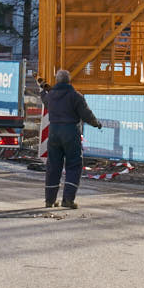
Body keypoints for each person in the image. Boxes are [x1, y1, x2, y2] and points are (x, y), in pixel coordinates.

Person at [39, 69, 102, 209]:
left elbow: (44, 98)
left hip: (54, 133)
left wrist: (42, 89)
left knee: (53, 165)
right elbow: (87, 114)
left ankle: (49, 200)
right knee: (73, 165)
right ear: (69, 81)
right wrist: (96, 124)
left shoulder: (51, 96)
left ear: (56, 81)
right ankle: (68, 200)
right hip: (70, 132)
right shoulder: (75, 96)